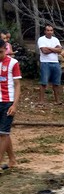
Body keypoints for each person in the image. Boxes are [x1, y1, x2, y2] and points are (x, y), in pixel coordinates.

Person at [0, 39, 21, 172]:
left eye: (1, 52)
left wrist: (14, 105)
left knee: (2, 134)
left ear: (5, 49)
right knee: (4, 133)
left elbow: (18, 85)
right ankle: (12, 159)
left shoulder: (13, 63)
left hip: (8, 102)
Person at [37, 24, 63, 104]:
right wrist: (55, 49)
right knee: (43, 82)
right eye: (47, 30)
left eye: (51, 30)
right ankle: (41, 101)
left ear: (53, 31)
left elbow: (60, 50)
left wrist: (50, 48)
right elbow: (44, 51)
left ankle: (57, 100)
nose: (49, 32)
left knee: (56, 83)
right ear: (45, 31)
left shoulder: (55, 39)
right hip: (45, 63)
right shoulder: (41, 39)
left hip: (55, 63)